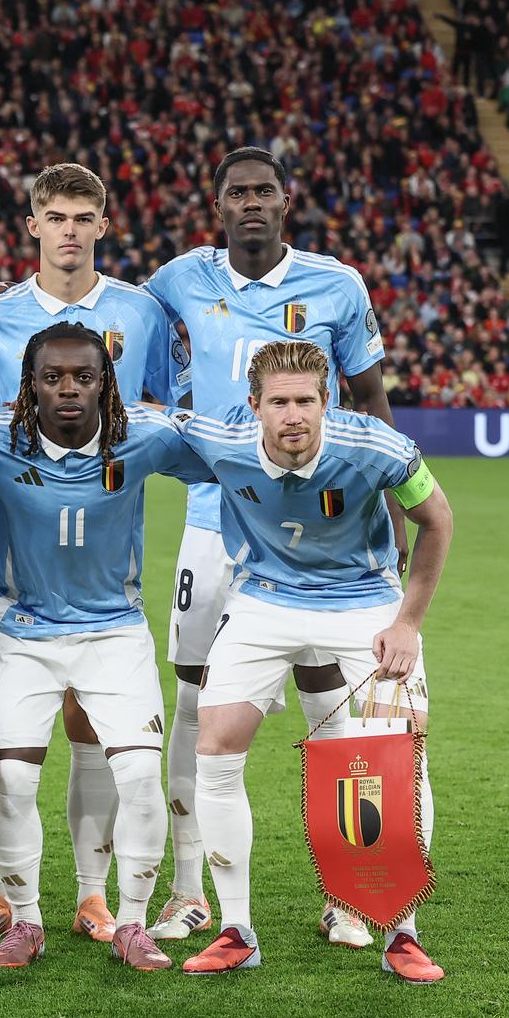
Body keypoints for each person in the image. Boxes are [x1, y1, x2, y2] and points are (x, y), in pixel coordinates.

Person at [0, 161, 183, 947]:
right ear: (33, 225)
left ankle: (96, 895)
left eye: (82, 217)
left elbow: (170, 410)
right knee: (1, 749)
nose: (68, 230)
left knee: (93, 732)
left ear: (104, 225)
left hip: (102, 559)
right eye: (54, 217)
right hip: (10, 570)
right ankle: (4, 897)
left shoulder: (142, 312)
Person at [140, 146, 398, 949]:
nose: (251, 202)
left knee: (332, 706)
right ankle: (190, 892)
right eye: (236, 192)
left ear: (286, 200)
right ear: (218, 205)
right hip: (214, 520)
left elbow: (371, 400)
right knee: (195, 702)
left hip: (316, 533)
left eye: (263, 191)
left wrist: (383, 516)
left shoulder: (337, 284)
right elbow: (104, 311)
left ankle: (349, 894)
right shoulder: (180, 279)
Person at [173, 340, 452, 984]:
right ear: (254, 406)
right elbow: (139, 429)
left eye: (305, 400)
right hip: (263, 600)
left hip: (365, 603)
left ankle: (402, 933)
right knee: (214, 745)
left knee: (400, 754)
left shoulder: (377, 447)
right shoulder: (220, 440)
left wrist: (407, 623)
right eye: (279, 403)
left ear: (327, 401)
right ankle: (236, 930)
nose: (293, 415)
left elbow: (437, 521)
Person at [0, 323, 209, 971]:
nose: (68, 389)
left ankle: (131, 923)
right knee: (12, 779)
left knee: (140, 778)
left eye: (83, 377)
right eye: (52, 377)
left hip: (115, 632)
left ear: (106, 384)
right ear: (29, 386)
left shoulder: (146, 438)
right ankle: (27, 921)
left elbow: (231, 463)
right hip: (23, 633)